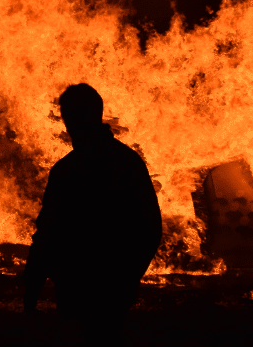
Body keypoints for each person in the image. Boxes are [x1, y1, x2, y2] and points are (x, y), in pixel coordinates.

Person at [22, 84, 161, 322]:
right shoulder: (128, 162)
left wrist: (31, 292)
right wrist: (129, 279)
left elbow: (47, 235)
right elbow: (151, 227)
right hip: (115, 287)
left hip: (75, 288)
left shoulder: (68, 170)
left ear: (70, 120)